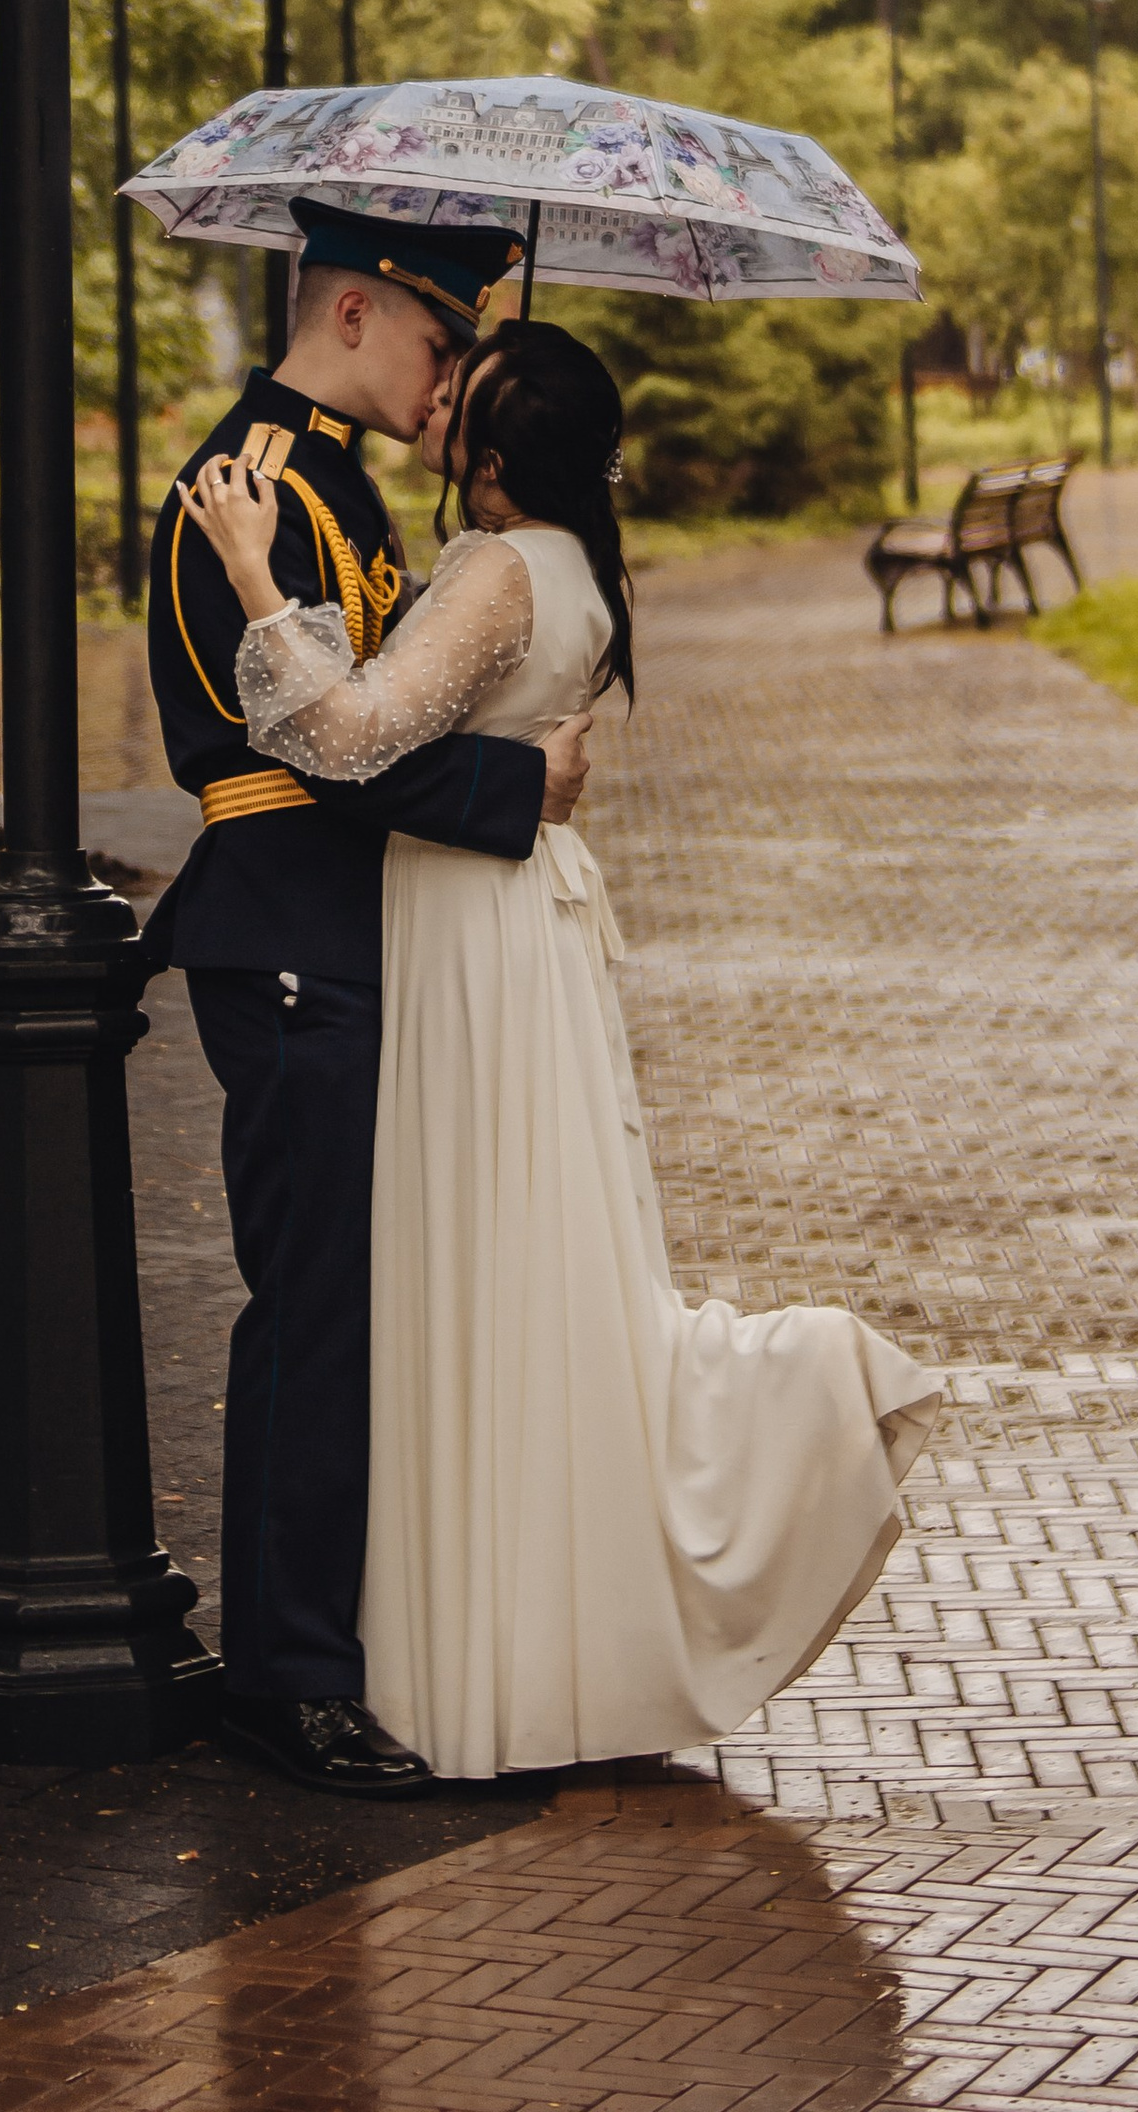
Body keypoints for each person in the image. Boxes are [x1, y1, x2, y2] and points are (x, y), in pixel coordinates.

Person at [179, 314, 940, 1781]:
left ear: (493, 455)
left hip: (468, 939)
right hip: (507, 925)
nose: (435, 401)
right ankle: (495, 1619)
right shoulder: (577, 568)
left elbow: (345, 737)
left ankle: (793, 1403)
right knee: (512, 1268)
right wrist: (524, 770)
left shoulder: (498, 568)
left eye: (461, 399)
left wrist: (256, 572)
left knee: (482, 1270)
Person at [142, 200, 594, 1798]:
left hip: (336, 933)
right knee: (318, 1308)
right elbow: (322, 755)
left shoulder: (329, 483)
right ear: (350, 317)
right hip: (286, 927)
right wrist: (520, 781)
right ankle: (289, 1679)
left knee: (345, 1303)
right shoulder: (252, 487)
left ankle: (314, 1645)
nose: (453, 377)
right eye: (438, 339)